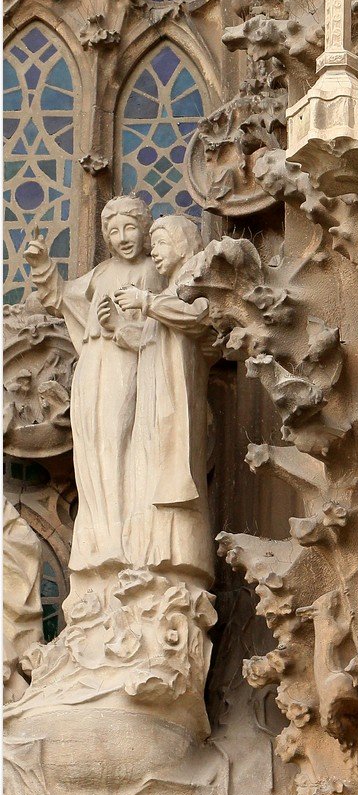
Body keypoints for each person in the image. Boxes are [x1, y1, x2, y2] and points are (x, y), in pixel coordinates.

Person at [25, 197, 161, 578]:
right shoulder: (101, 273)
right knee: (94, 452)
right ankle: (100, 538)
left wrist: (122, 322)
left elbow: (164, 328)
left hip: (128, 366)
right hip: (94, 370)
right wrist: (42, 266)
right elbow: (61, 296)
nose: (123, 238)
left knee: (123, 445)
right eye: (114, 231)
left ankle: (128, 540)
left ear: (145, 229)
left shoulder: (154, 271)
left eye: (130, 228)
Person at [113, 214, 215, 584]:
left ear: (184, 244)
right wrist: (123, 330)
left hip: (177, 400)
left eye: (161, 243)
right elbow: (154, 340)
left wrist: (147, 301)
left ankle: (178, 559)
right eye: (152, 245)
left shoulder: (194, 282)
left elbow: (197, 319)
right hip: (155, 404)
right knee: (152, 476)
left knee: (173, 479)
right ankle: (154, 554)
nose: (153, 252)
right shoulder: (168, 292)